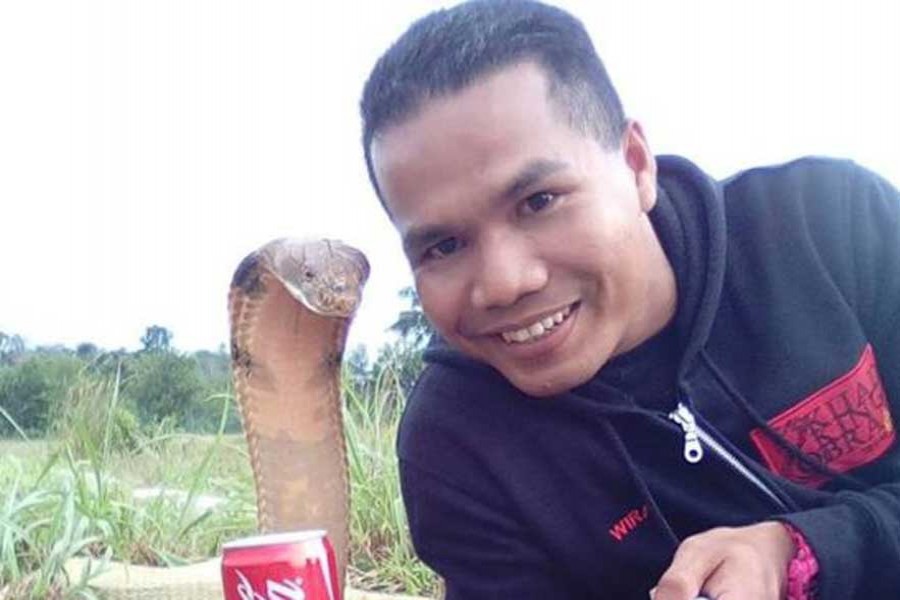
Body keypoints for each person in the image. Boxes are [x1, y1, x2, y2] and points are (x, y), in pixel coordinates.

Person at [358, 1, 900, 598]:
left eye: (539, 201)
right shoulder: (459, 444)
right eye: (444, 246)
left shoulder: (832, 224)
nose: (504, 283)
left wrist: (806, 553)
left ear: (636, 164)